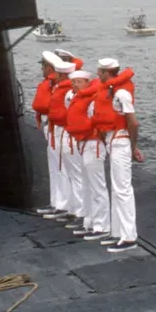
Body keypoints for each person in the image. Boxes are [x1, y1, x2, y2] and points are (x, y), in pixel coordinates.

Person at [93, 58, 142, 252]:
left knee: (123, 190)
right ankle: (117, 232)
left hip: (120, 141)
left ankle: (129, 237)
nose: (97, 74)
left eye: (100, 71)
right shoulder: (111, 90)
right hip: (113, 140)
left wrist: (132, 147)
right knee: (117, 189)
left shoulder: (121, 93)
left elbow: (133, 123)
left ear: (107, 72)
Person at [61, 70, 103, 238]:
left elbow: (96, 121)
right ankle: (89, 222)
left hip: (93, 144)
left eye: (78, 82)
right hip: (82, 143)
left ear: (87, 82)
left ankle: (100, 227)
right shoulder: (75, 99)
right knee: (86, 185)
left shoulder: (92, 101)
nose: (74, 85)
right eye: (73, 82)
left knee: (96, 187)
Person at [31, 51, 65, 217]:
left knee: (59, 168)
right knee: (55, 168)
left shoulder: (55, 86)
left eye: (43, 66)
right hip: (50, 127)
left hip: (56, 129)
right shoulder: (51, 84)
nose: (42, 70)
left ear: (50, 67)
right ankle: (57, 203)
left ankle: (63, 205)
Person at [45, 54, 78, 219]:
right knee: (58, 169)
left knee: (67, 171)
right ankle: (59, 203)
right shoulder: (60, 88)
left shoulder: (68, 92)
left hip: (65, 133)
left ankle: (69, 208)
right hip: (57, 131)